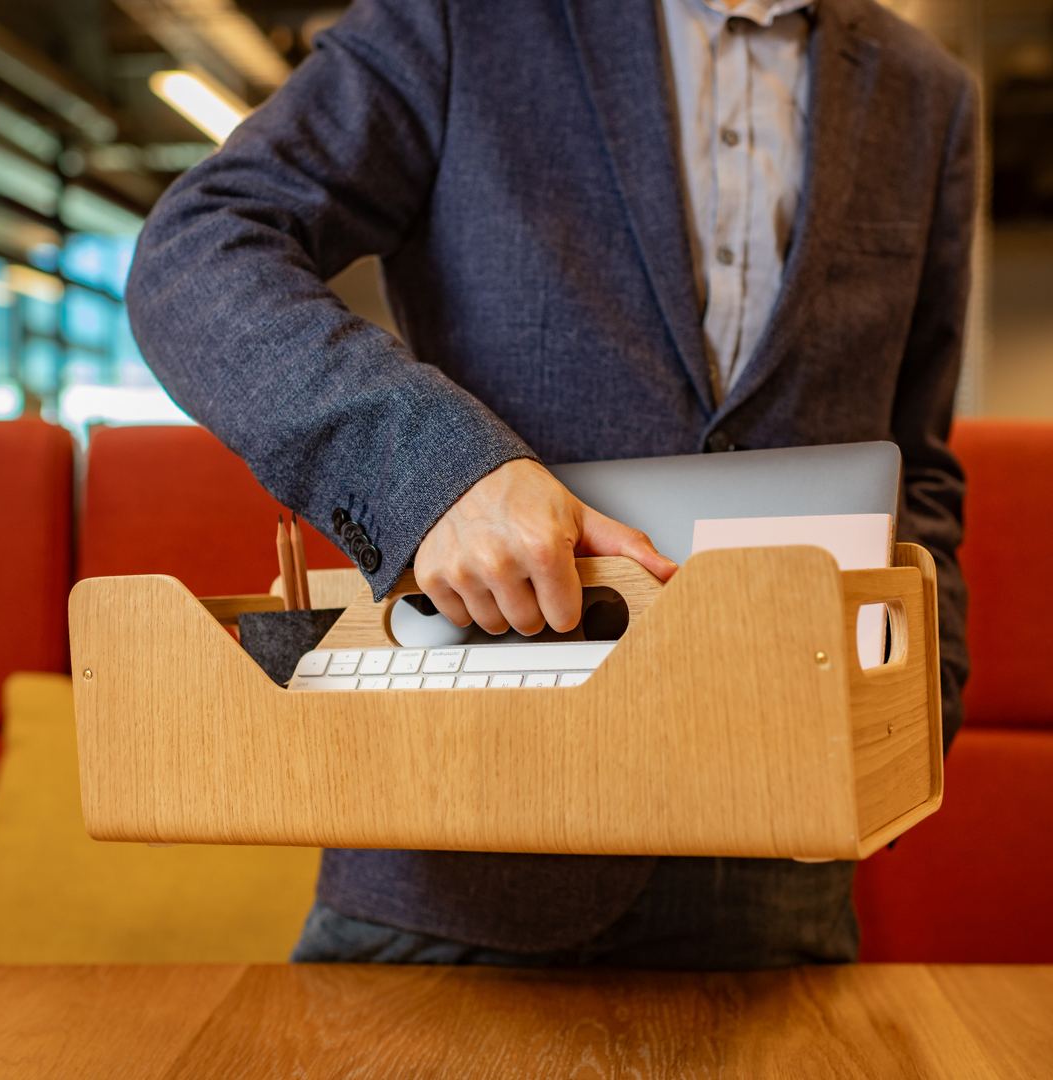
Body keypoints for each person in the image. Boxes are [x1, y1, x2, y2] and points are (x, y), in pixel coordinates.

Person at [126, 0, 975, 968]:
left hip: (777, 859)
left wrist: (915, 716)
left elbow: (920, 460)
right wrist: (439, 475)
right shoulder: (462, 19)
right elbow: (200, 249)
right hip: (459, 843)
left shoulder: (929, 92)